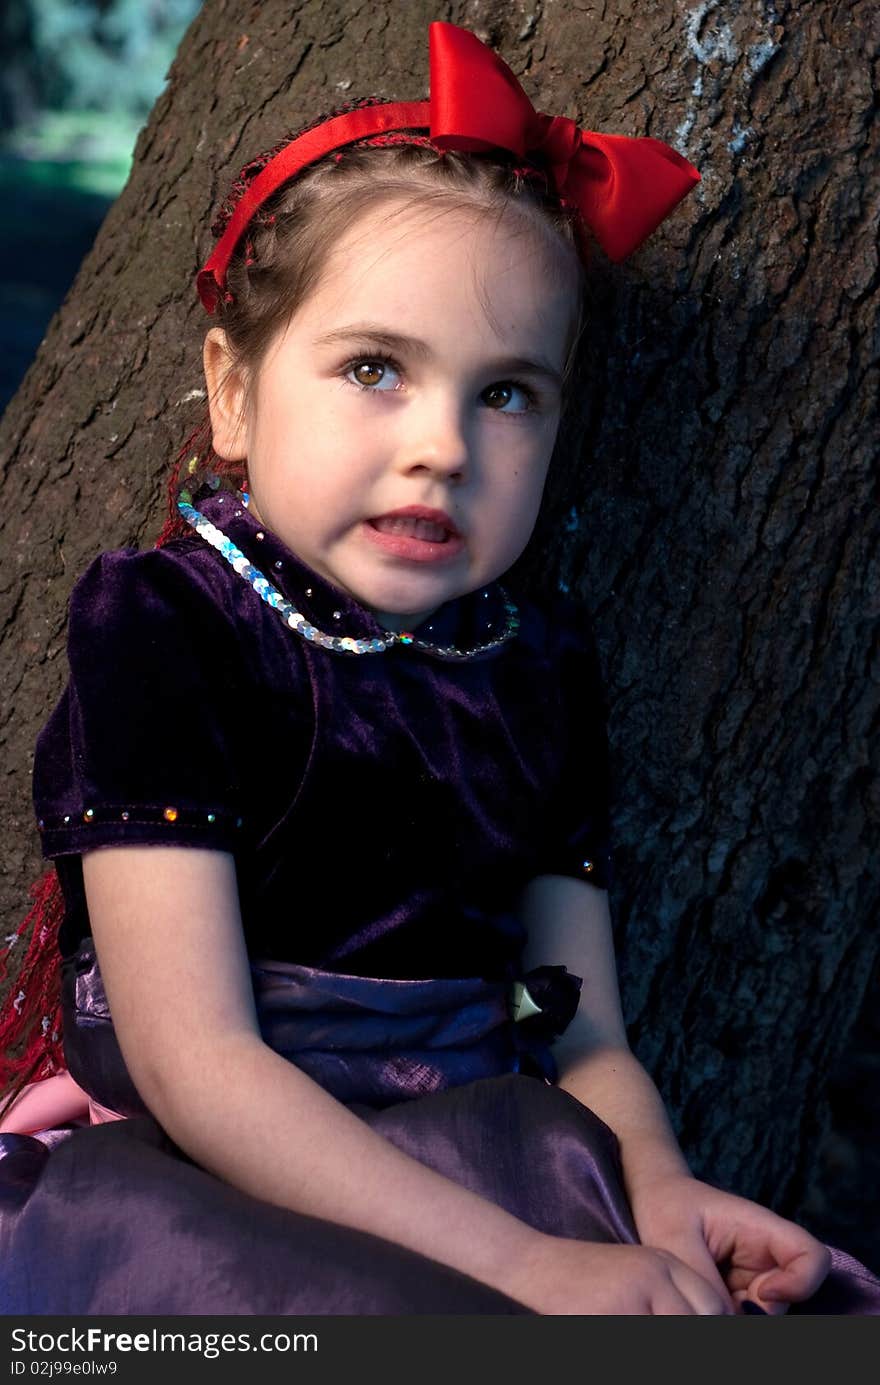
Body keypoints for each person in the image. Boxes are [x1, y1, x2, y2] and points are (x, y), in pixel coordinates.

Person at [0, 21, 877, 1316]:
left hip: (496, 1148)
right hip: (218, 1177)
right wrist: (527, 1262)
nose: (443, 447)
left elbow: (582, 1033)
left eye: (507, 393)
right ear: (232, 393)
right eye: (373, 368)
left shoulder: (535, 662)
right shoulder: (172, 631)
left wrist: (659, 1190)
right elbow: (199, 1061)